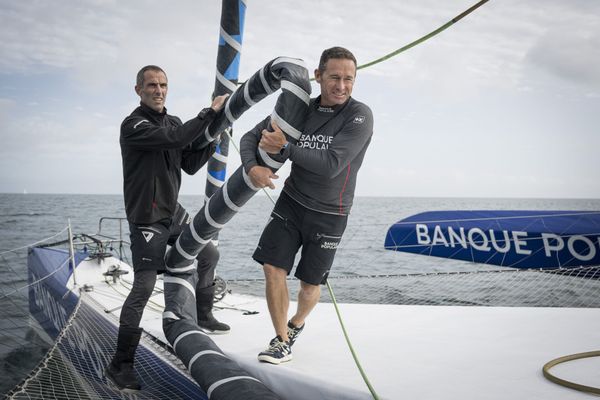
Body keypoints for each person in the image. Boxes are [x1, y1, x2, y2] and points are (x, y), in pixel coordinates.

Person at [240, 47, 374, 364]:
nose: (341, 86)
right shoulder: (301, 110)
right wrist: (252, 167)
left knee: (310, 285)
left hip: (331, 213)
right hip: (292, 202)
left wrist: (285, 147)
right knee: (273, 268)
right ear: (318, 76)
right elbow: (249, 137)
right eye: (334, 77)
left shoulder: (359, 115)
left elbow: (331, 165)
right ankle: (281, 341)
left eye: (348, 79)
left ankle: (296, 323)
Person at [106, 65, 230, 391]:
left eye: (162, 85)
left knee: (209, 253)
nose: (158, 90)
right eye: (151, 85)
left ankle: (203, 315)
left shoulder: (174, 122)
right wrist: (209, 113)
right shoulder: (133, 125)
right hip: (146, 218)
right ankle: (120, 365)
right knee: (144, 286)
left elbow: (188, 164)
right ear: (139, 90)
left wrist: (213, 140)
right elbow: (175, 138)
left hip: (171, 213)